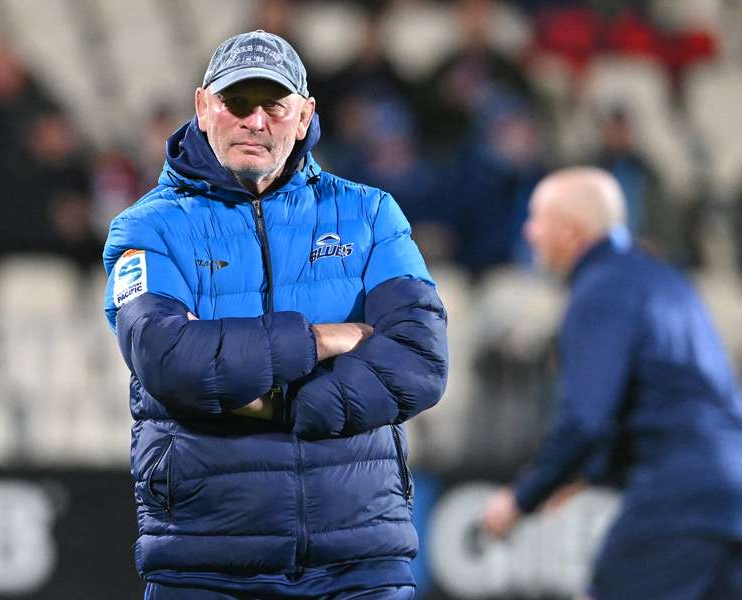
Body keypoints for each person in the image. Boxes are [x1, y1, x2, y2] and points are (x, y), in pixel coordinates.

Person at [102, 30, 448, 599]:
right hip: (206, 562)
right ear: (202, 106)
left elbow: (420, 358)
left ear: (305, 113)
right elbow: (169, 360)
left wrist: (286, 400)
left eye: (274, 104)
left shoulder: (370, 213)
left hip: (359, 561)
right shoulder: (146, 228)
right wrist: (317, 341)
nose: (255, 121)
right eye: (237, 102)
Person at [482, 167, 742, 600]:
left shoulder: (600, 291)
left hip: (677, 498)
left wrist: (522, 498)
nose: (529, 232)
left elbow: (586, 418)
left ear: (569, 230)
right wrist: (589, 474)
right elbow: (676, 398)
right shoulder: (664, 279)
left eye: (537, 218)